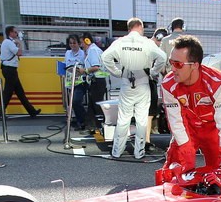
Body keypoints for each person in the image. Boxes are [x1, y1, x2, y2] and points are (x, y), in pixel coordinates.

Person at [159, 35, 221, 172]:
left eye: (178, 64)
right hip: (187, 128)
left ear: (195, 65)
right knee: (174, 172)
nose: (173, 69)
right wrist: (186, 152)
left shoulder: (216, 82)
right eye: (171, 62)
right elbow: (175, 121)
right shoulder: (168, 84)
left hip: (213, 129)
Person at [101, 17, 166, 160]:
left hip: (126, 83)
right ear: (141, 27)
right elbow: (162, 57)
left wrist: (117, 72)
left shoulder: (120, 42)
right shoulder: (147, 43)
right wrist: (153, 72)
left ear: (129, 28)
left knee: (123, 118)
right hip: (143, 82)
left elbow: (105, 57)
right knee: (142, 119)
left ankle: (117, 151)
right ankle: (139, 152)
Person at [0, 24, 39, 118]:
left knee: (20, 92)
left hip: (10, 70)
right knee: (8, 93)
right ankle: (0, 113)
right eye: (15, 32)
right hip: (9, 70)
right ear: (10, 33)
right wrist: (19, 44)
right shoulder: (8, 42)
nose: (17, 33)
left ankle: (32, 111)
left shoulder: (8, 42)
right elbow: (19, 53)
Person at [61, 34, 88, 131]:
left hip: (80, 81)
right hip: (69, 81)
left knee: (76, 101)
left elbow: (86, 67)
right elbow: (65, 64)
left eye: (74, 43)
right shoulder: (67, 53)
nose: (72, 45)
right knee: (71, 102)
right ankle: (79, 120)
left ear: (79, 43)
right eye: (71, 43)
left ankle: (83, 120)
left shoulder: (83, 53)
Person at [81, 34, 107, 132]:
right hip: (96, 81)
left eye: (82, 42)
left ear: (87, 41)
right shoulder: (93, 50)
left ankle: (101, 126)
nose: (81, 45)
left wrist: (85, 70)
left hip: (97, 81)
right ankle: (91, 126)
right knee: (92, 105)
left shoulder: (92, 51)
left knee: (96, 105)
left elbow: (96, 66)